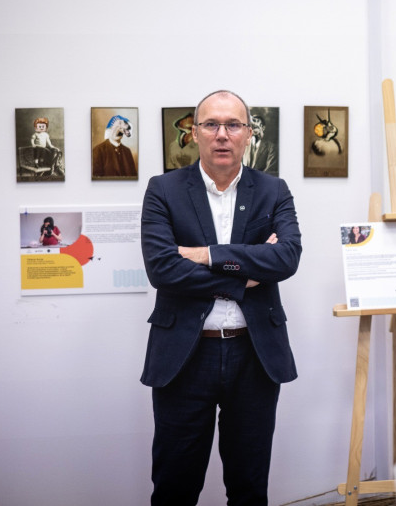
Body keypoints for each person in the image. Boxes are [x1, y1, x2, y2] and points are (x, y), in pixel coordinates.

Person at [140, 90, 302, 506]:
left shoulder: (273, 190)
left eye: (233, 125)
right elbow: (162, 268)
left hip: (254, 356)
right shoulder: (163, 189)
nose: (222, 134)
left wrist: (207, 255)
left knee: (249, 488)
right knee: (174, 487)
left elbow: (286, 257)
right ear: (194, 133)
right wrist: (244, 276)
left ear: (249, 133)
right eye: (211, 124)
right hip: (185, 357)